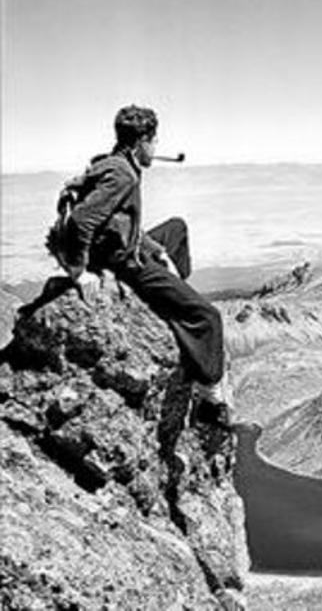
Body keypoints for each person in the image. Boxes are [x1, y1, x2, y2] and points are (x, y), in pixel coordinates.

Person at [56, 105, 229, 426]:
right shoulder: (123, 174)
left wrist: (159, 251)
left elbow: (122, 223)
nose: (157, 147)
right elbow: (82, 220)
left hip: (124, 246)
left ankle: (172, 291)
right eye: (154, 140)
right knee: (208, 316)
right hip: (123, 263)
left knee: (176, 229)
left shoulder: (112, 164)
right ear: (141, 143)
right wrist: (80, 272)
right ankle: (209, 399)